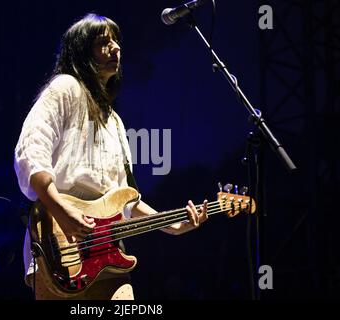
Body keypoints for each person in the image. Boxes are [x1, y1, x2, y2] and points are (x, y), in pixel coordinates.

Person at [14, 13, 208, 300]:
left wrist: (175, 225)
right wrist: (60, 209)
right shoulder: (65, 88)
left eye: (116, 41)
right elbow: (31, 152)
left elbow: (125, 198)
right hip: (61, 251)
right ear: (81, 51)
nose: (116, 47)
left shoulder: (114, 121)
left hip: (109, 259)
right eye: (103, 42)